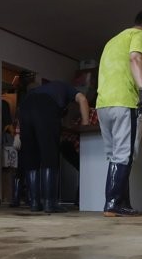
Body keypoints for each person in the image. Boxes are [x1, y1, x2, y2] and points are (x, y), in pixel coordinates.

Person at [95, 10, 142, 217]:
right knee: (125, 154)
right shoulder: (139, 36)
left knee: (115, 155)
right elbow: (135, 59)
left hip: (103, 104)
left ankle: (122, 203)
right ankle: (113, 203)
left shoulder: (113, 41)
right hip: (124, 102)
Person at [17, 79, 90, 213]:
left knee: (31, 155)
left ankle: (34, 203)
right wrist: (86, 125)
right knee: (49, 154)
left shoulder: (43, 90)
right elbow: (83, 99)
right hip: (44, 106)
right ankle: (50, 203)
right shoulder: (68, 88)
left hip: (25, 107)